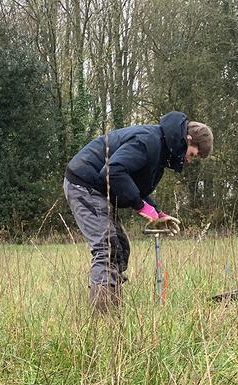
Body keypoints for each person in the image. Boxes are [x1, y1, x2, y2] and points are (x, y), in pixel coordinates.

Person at [63, 111, 213, 311]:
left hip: (96, 187)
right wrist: (142, 208)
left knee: (120, 246)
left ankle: (114, 307)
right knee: (106, 247)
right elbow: (112, 171)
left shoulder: (161, 148)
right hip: (83, 184)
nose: (189, 160)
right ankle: (103, 318)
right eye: (192, 154)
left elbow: (136, 187)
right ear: (188, 139)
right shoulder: (148, 142)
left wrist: (158, 213)